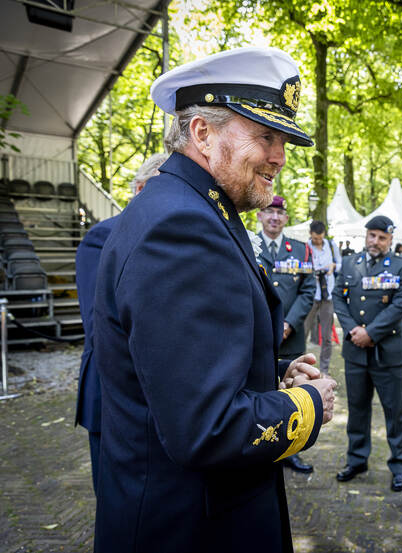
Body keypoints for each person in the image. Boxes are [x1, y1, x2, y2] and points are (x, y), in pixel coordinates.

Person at [93, 47, 337, 553]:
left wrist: (270, 375)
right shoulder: (183, 227)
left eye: (284, 140)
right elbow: (205, 428)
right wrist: (308, 404)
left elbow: (177, 371)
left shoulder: (186, 210)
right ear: (202, 133)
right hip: (192, 529)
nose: (280, 157)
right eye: (266, 136)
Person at [74, 152, 167, 494]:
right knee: (118, 504)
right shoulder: (102, 237)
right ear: (139, 188)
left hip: (163, 401)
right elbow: (98, 325)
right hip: (113, 396)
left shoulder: (174, 233)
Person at [332, 215, 402, 492]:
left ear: (390, 239)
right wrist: (352, 329)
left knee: (397, 412)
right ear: (365, 236)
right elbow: (338, 298)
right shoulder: (349, 263)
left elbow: (401, 304)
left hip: (389, 353)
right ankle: (356, 460)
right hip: (355, 351)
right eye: (372, 235)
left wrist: (372, 333)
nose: (375, 241)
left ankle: (401, 465)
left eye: (382, 237)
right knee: (356, 409)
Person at [256, 195, 317, 474]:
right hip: (257, 338)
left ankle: (291, 448)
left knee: (292, 392)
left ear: (286, 218)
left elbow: (307, 291)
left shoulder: (302, 251)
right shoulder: (248, 245)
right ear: (259, 214)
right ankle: (262, 446)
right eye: (269, 211)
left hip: (290, 338)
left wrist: (288, 323)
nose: (274, 217)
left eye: (279, 212)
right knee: (261, 391)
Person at [304, 220, 341, 374]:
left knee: (326, 336)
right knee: (303, 333)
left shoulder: (331, 246)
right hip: (311, 295)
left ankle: (324, 370)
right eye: (314, 239)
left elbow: (339, 264)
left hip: (328, 295)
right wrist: (313, 272)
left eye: (319, 238)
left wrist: (332, 266)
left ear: (324, 234)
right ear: (310, 235)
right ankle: (302, 367)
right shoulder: (306, 247)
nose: (317, 241)